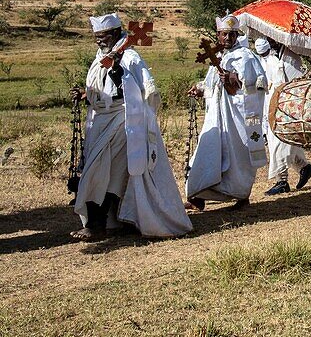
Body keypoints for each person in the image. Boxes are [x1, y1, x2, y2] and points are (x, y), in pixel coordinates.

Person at [69, 13, 191, 240]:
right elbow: (102, 90)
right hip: (99, 121)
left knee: (103, 173)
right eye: (96, 36)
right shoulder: (100, 57)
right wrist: (86, 94)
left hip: (123, 122)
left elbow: (147, 92)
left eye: (103, 35)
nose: (99, 40)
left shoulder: (130, 58)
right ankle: (112, 221)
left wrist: (118, 74)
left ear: (115, 33)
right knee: (103, 173)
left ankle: (97, 225)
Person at [185, 14, 267, 211]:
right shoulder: (218, 55)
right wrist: (199, 89)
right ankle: (198, 196)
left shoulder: (247, 56)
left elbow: (260, 82)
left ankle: (241, 196)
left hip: (238, 117)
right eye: (223, 35)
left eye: (231, 35)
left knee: (238, 156)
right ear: (218, 35)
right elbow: (211, 85)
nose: (227, 39)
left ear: (237, 35)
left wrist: (234, 78)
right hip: (216, 116)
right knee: (206, 151)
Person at [254, 37, 311, 196]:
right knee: (285, 142)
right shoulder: (268, 59)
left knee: (279, 143)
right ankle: (304, 167)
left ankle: (281, 181)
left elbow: (292, 84)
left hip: (284, 108)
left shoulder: (288, 58)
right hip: (268, 106)